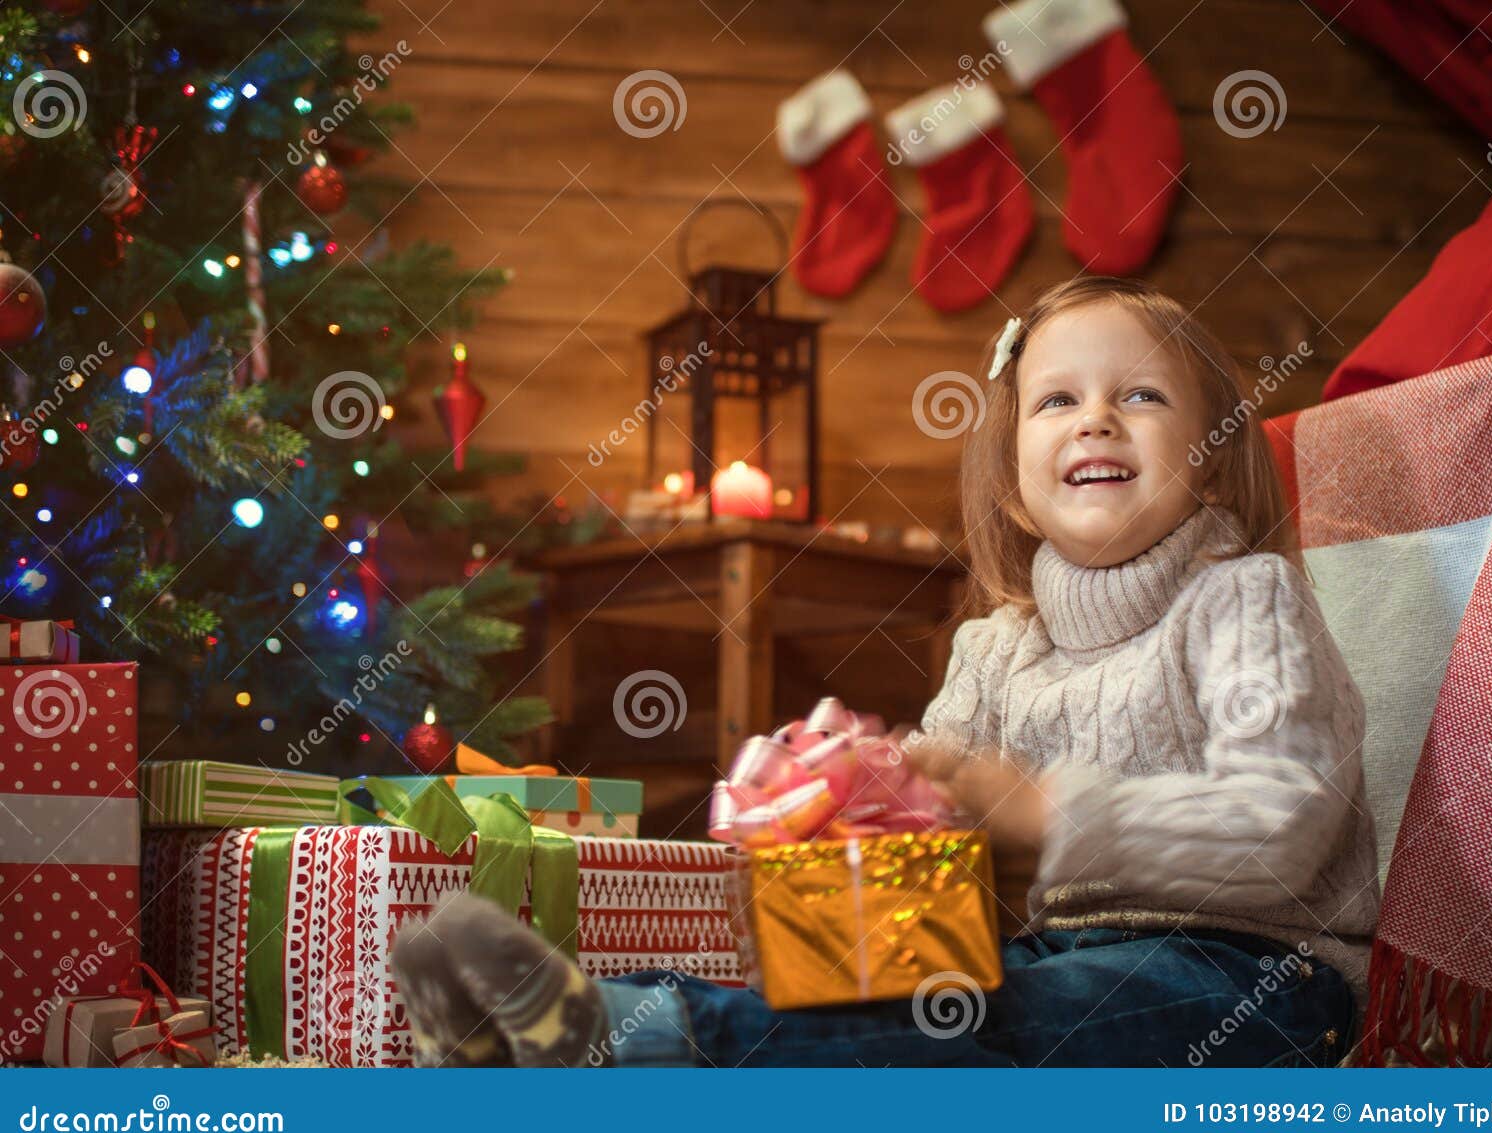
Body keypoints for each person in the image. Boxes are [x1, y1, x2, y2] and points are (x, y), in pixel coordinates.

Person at [392, 275, 1380, 1067]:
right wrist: (866, 803)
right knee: (912, 1007)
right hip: (1044, 955)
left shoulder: (1243, 598)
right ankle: (529, 1044)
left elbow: (1280, 826)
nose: (1096, 420)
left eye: (1141, 395)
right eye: (1057, 400)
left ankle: (626, 1038)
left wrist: (1045, 815)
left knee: (1010, 1017)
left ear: (1208, 461)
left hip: (1251, 981)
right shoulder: (995, 647)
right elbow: (936, 849)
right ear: (1017, 488)